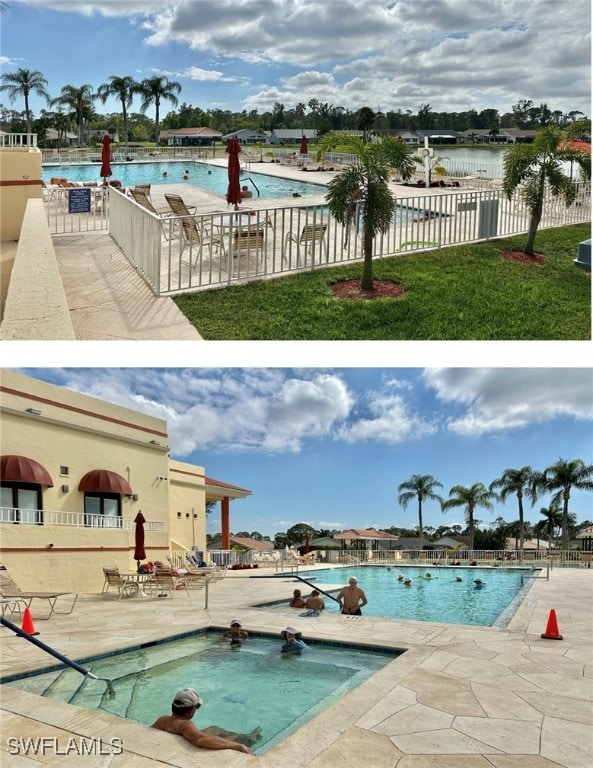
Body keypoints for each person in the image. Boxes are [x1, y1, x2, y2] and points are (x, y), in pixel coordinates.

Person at [151, 688, 258, 754]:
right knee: (235, 738)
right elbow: (201, 739)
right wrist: (237, 746)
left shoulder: (162, 719)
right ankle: (249, 738)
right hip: (191, 737)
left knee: (213, 728)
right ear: (190, 711)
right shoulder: (184, 724)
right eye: (196, 708)